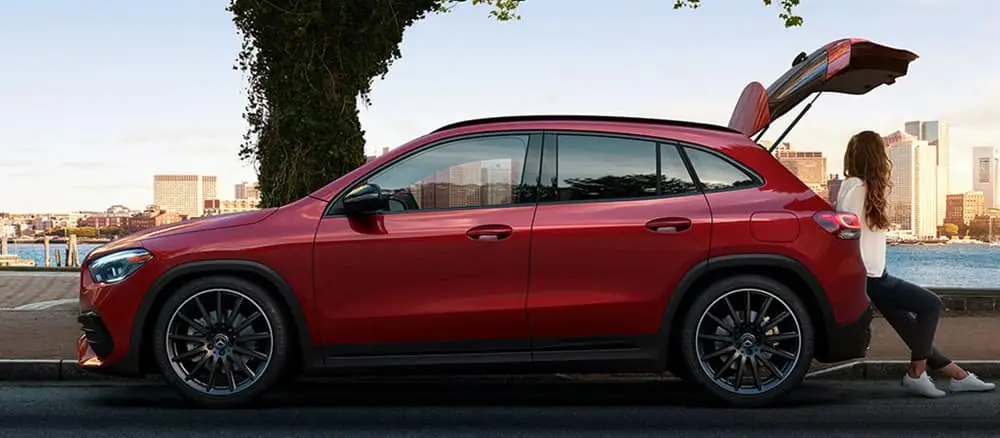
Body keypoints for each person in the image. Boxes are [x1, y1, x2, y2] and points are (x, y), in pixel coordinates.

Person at [837, 130, 996, 398]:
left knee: (912, 331)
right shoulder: (857, 188)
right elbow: (846, 233)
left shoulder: (856, 186)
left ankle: (958, 376)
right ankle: (916, 374)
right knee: (930, 304)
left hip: (874, 274)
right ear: (877, 157)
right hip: (869, 277)